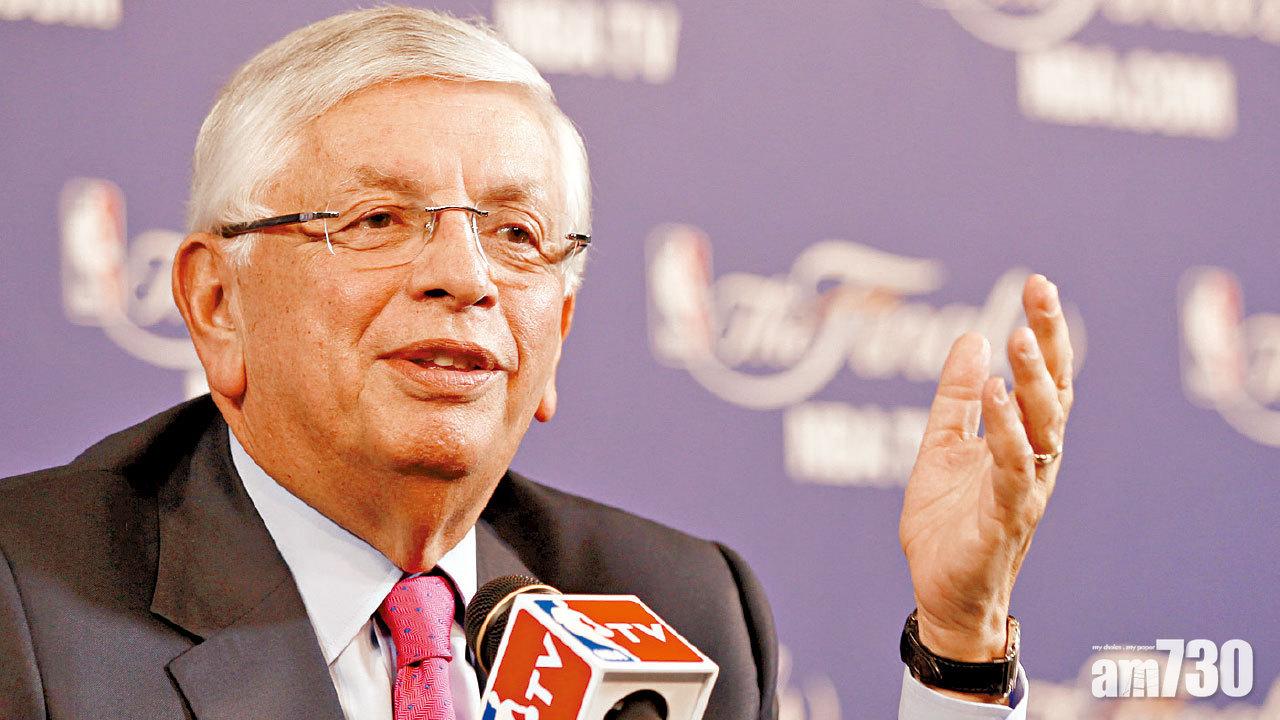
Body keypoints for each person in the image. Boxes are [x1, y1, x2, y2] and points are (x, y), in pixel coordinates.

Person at [0, 7, 1075, 720]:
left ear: (557, 327)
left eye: (517, 236)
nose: (463, 277)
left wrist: (959, 642)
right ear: (217, 304)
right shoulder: (29, 606)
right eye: (378, 219)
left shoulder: (675, 604)